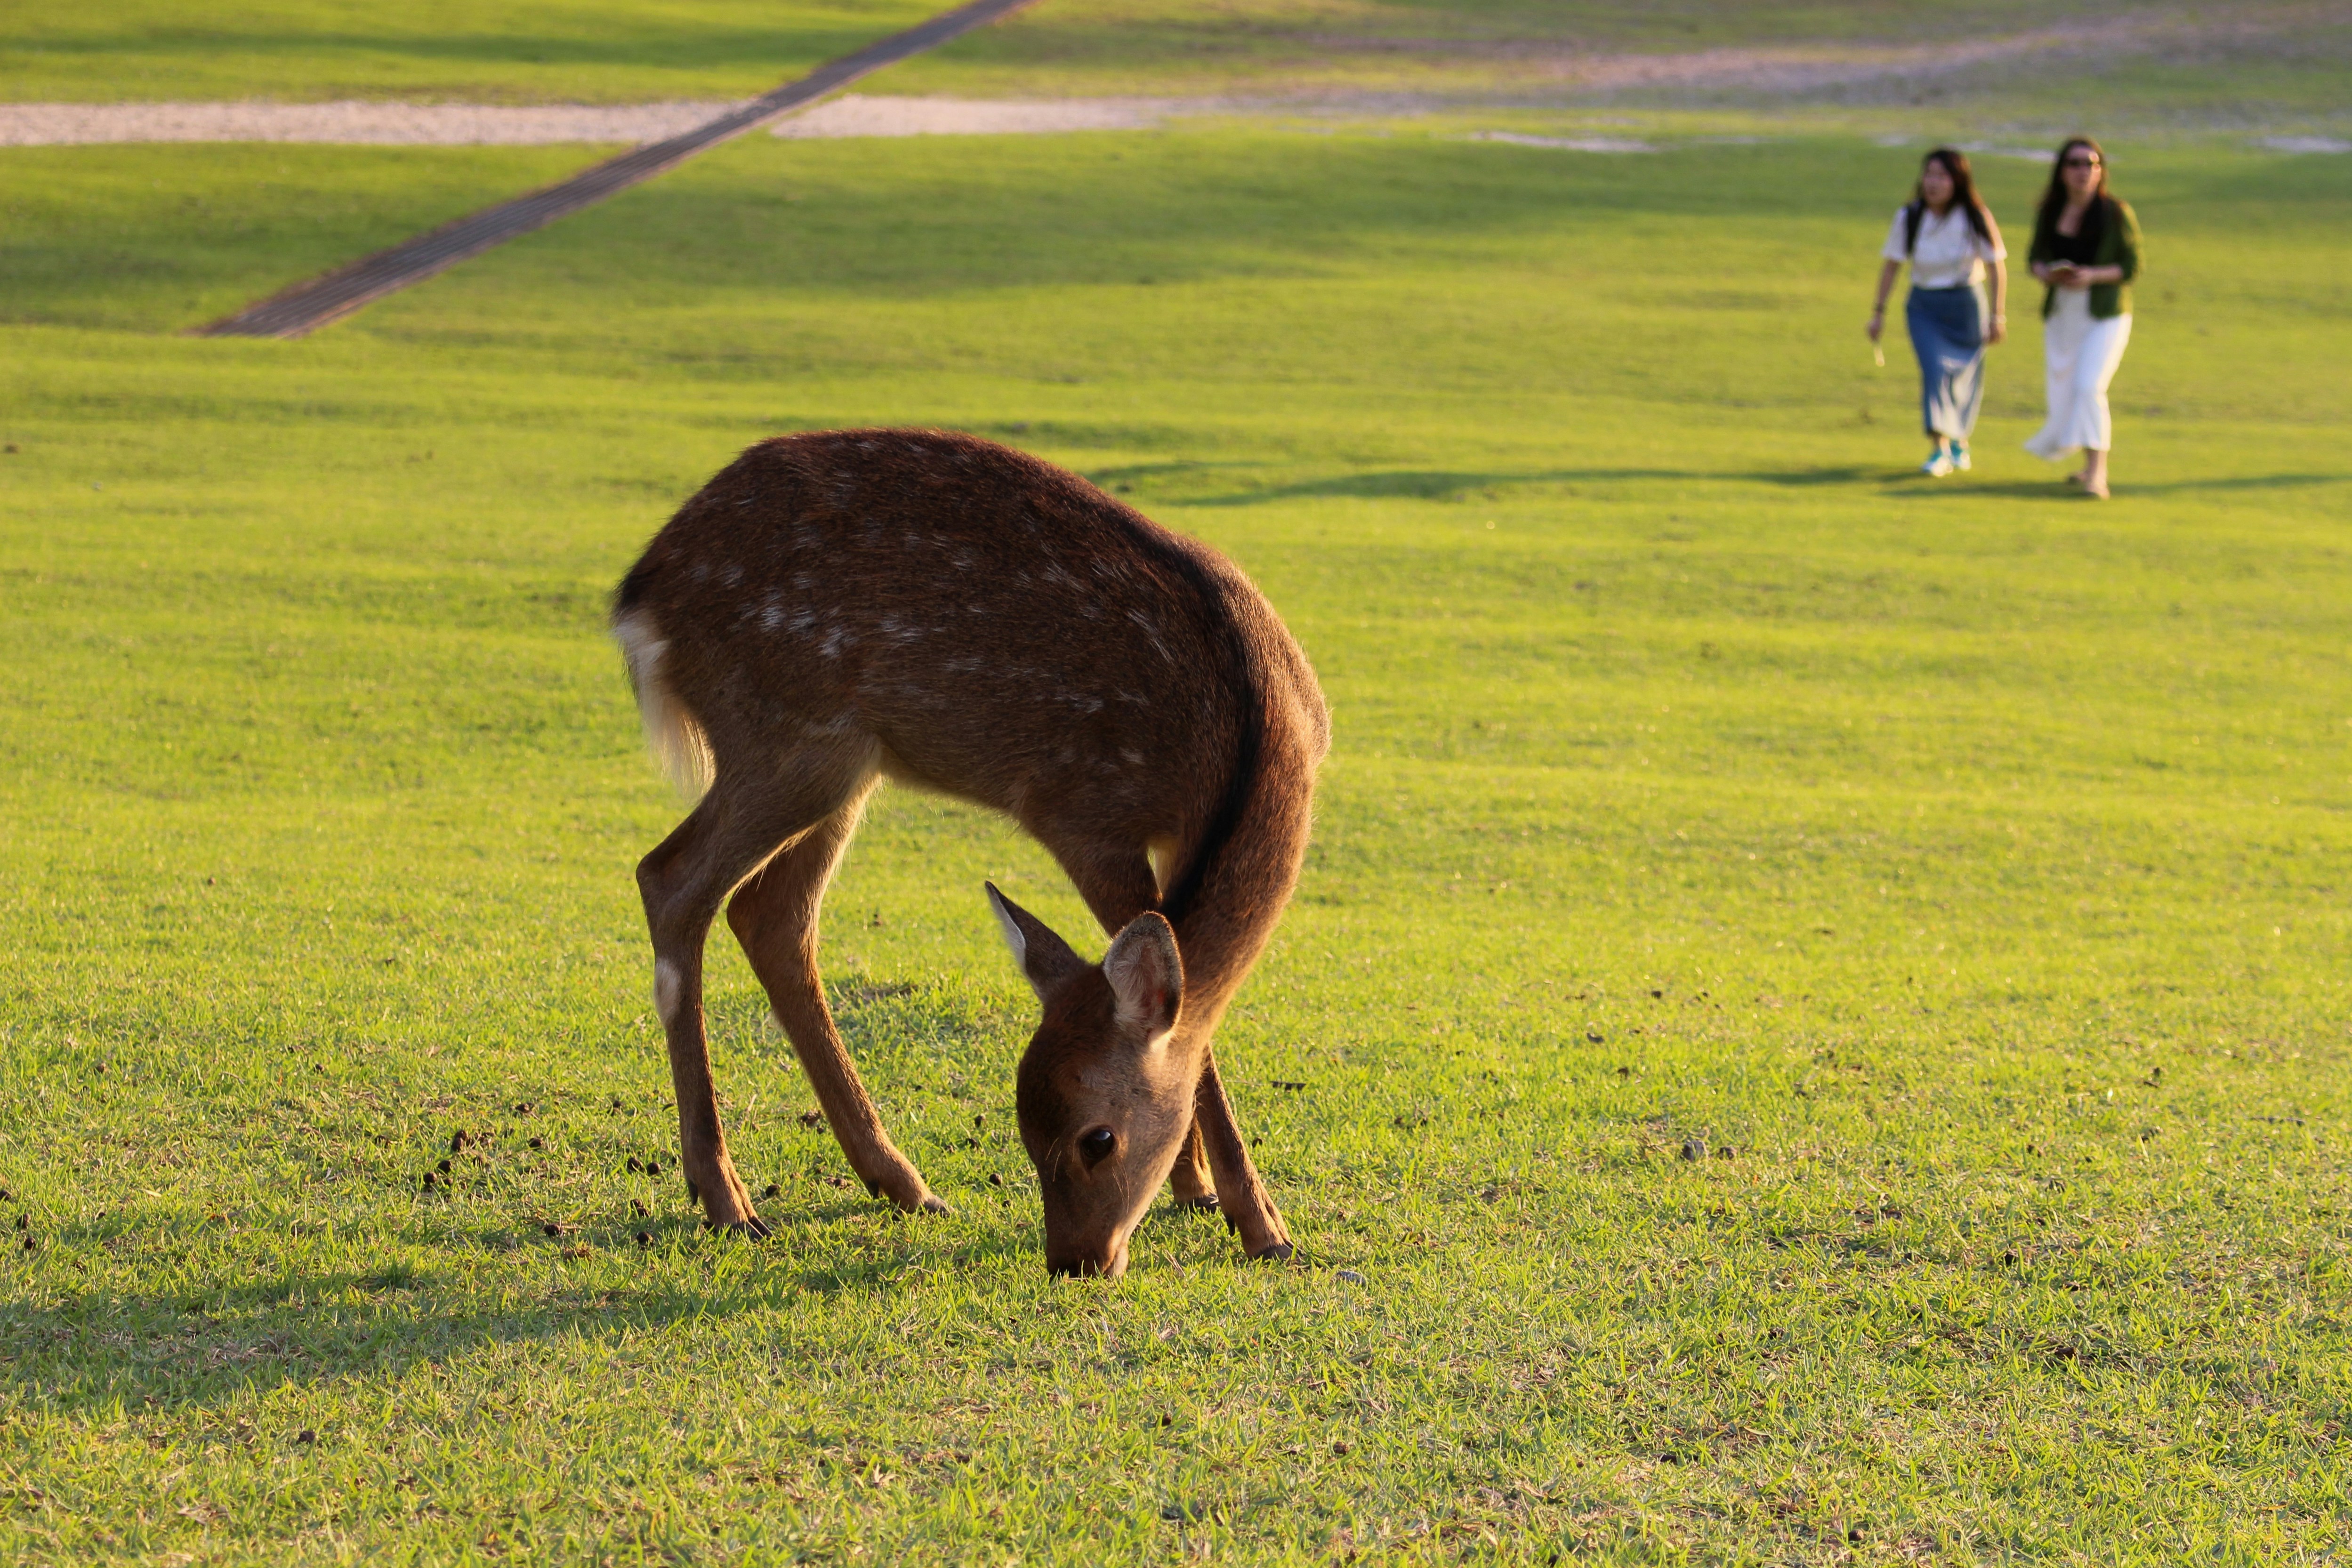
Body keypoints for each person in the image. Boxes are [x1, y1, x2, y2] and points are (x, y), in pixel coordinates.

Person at [1867, 147, 2008, 477]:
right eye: (1930, 174)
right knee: (1934, 372)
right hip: (1924, 305)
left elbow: (1996, 265)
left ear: (1958, 181)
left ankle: (1959, 439)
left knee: (1964, 376)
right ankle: (1939, 448)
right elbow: (1892, 265)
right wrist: (1878, 312)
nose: (1934, 183)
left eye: (1942, 176)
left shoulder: (1975, 216)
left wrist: (1997, 315)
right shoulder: (1911, 216)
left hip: (1966, 304)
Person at [2023, 137, 2141, 499]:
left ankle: (2097, 474)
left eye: (2091, 164)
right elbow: (2035, 258)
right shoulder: (2050, 211)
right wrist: (2047, 273)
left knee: (2090, 386)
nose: (2083, 171)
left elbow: (2132, 266)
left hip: (2105, 313)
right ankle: (2083, 463)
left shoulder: (2115, 212)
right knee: (2065, 392)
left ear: (2101, 170)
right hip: (2064, 315)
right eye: (2074, 164)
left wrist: (2092, 275)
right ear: (2061, 171)